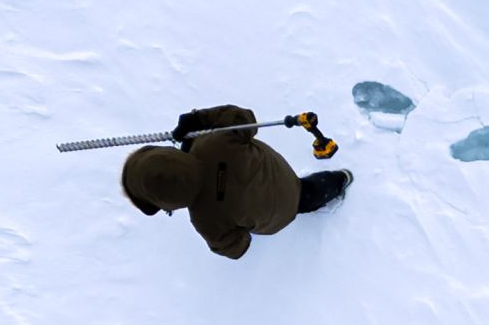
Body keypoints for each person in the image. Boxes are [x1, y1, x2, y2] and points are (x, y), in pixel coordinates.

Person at [121, 105, 351, 259]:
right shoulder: (214, 142)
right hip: (279, 172)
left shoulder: (205, 220)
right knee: (305, 191)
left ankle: (326, 187)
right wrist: (199, 120)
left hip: (278, 216)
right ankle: (340, 179)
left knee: (298, 201)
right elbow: (244, 119)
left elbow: (237, 248)